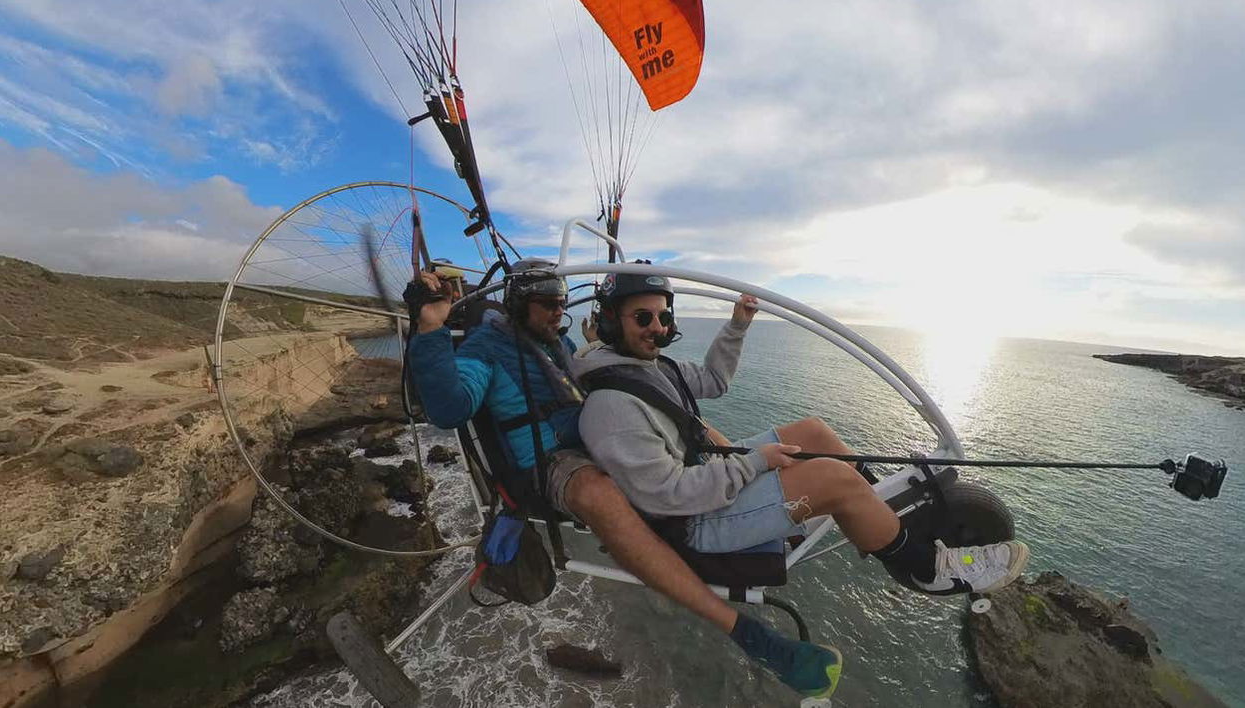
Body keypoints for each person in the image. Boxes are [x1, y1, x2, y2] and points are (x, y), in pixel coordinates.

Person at [573, 269, 1032, 699]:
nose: (657, 328)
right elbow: (668, 495)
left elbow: (713, 380)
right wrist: (754, 464)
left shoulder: (650, 367)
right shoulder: (611, 406)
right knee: (832, 477)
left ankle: (884, 519)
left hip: (706, 476)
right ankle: (927, 568)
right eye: (643, 318)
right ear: (610, 321)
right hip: (694, 522)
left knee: (813, 432)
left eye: (663, 316)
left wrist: (737, 326)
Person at [405, 259, 842, 698]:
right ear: (519, 304)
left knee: (691, 423)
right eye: (546, 304)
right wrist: (430, 328)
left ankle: (747, 502)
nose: (558, 312)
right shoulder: (485, 350)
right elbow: (449, 408)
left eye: (561, 303)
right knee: (597, 491)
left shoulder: (555, 341)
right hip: (549, 460)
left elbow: (588, 376)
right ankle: (747, 633)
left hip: (586, 434)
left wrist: (608, 348)